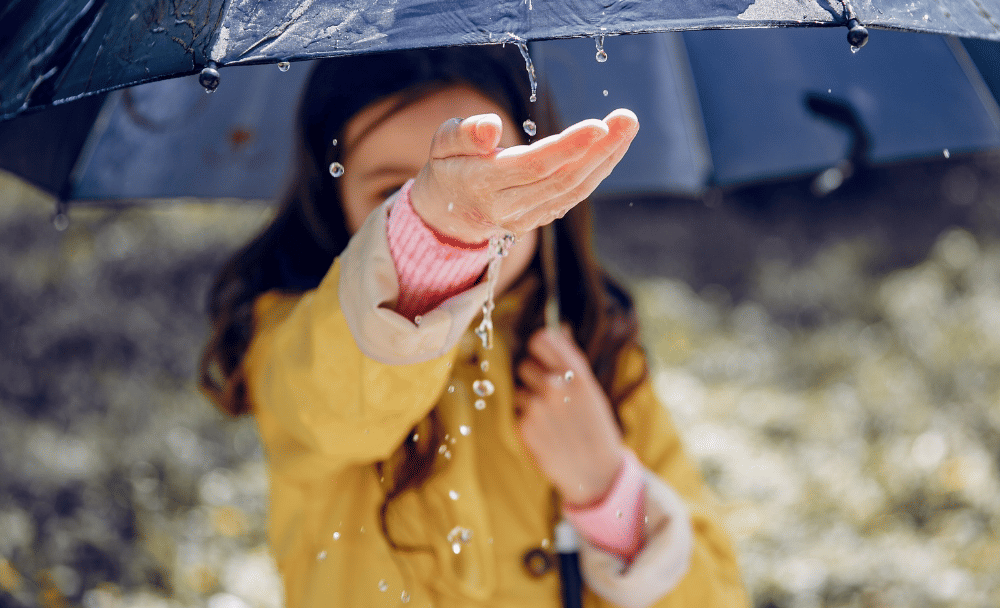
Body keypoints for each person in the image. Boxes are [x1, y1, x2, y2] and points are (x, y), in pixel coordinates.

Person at [199, 45, 747, 608]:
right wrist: (429, 239)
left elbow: (718, 596)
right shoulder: (295, 339)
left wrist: (608, 492)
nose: (465, 214)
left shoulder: (596, 350)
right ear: (333, 200)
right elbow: (333, 405)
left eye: (493, 177)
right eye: (395, 195)